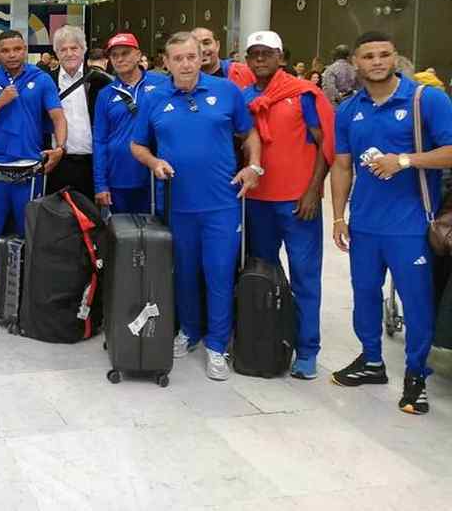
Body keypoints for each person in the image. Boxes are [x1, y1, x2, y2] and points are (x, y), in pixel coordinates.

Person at [330, 30, 452, 415]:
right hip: (364, 224)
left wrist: (404, 160)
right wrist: (338, 215)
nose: (377, 62)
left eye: (384, 54)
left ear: (395, 57)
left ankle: (416, 375)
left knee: (416, 305)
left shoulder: (424, 99)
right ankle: (371, 362)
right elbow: (342, 165)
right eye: (368, 56)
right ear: (356, 63)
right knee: (364, 296)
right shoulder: (350, 109)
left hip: (411, 225)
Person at [130, 31, 262, 381]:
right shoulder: (154, 97)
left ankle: (217, 345)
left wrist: (253, 166)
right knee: (184, 274)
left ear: (201, 56)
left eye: (192, 56)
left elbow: (249, 134)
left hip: (222, 204)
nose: (186, 63)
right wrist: (154, 162)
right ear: (166, 62)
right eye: (178, 58)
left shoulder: (226, 91)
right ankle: (189, 331)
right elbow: (137, 146)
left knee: (219, 273)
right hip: (177, 206)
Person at [242, 31, 335, 381]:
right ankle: (267, 339)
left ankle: (308, 350)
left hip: (298, 204)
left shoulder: (304, 94)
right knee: (263, 277)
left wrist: (313, 192)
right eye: (254, 54)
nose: (260, 59)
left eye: (267, 54)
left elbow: (325, 145)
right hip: (257, 203)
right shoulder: (245, 98)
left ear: (281, 57)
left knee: (304, 278)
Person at [0, 29, 67, 319]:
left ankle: (26, 294)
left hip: (30, 172)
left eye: (18, 49)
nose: (12, 55)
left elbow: (58, 116)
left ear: (25, 50)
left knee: (30, 235)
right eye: (6, 50)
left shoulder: (41, 78)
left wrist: (60, 147)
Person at [93, 32, 169, 214]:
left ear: (138, 55)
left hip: (155, 175)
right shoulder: (106, 94)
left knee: (157, 235)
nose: (119, 59)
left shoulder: (162, 84)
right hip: (119, 176)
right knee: (122, 235)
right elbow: (100, 140)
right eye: (114, 55)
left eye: (125, 53)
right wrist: (100, 184)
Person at [45, 25, 110, 200]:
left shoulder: (101, 81)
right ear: (56, 53)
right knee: (56, 220)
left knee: (90, 220)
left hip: (91, 164)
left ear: (84, 50)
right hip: (57, 163)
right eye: (63, 49)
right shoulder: (46, 81)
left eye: (74, 48)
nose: (69, 53)